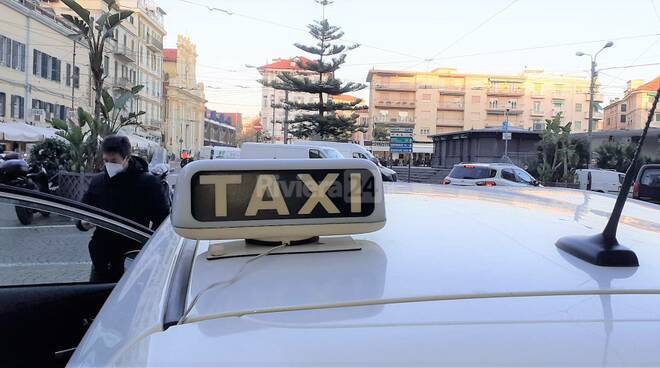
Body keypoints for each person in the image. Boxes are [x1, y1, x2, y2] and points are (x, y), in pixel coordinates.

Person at [79, 135, 170, 281]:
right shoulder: (98, 182)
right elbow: (83, 210)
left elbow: (162, 218)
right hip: (102, 258)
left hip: (134, 256)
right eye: (105, 161)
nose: (109, 165)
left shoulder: (147, 183)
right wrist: (83, 223)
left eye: (114, 161)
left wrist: (149, 247)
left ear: (127, 158)